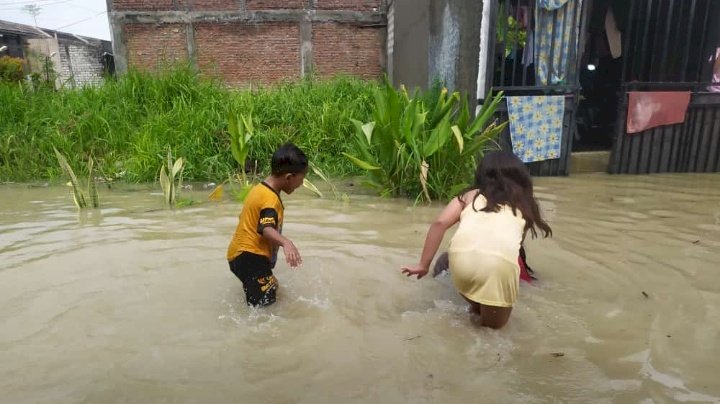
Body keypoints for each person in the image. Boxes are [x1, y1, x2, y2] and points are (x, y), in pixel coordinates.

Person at [401, 150, 552, 329]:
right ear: (521, 177)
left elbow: (440, 223)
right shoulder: (524, 202)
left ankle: (471, 314)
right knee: (492, 333)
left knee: (476, 309)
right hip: (498, 265)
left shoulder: (469, 196)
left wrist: (423, 265)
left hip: (460, 261)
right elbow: (514, 246)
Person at [227, 143, 308, 307]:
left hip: (240, 255)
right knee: (264, 310)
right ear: (289, 177)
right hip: (249, 256)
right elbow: (266, 228)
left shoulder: (259, 189)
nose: (302, 183)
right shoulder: (270, 199)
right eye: (302, 178)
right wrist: (287, 243)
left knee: (272, 288)